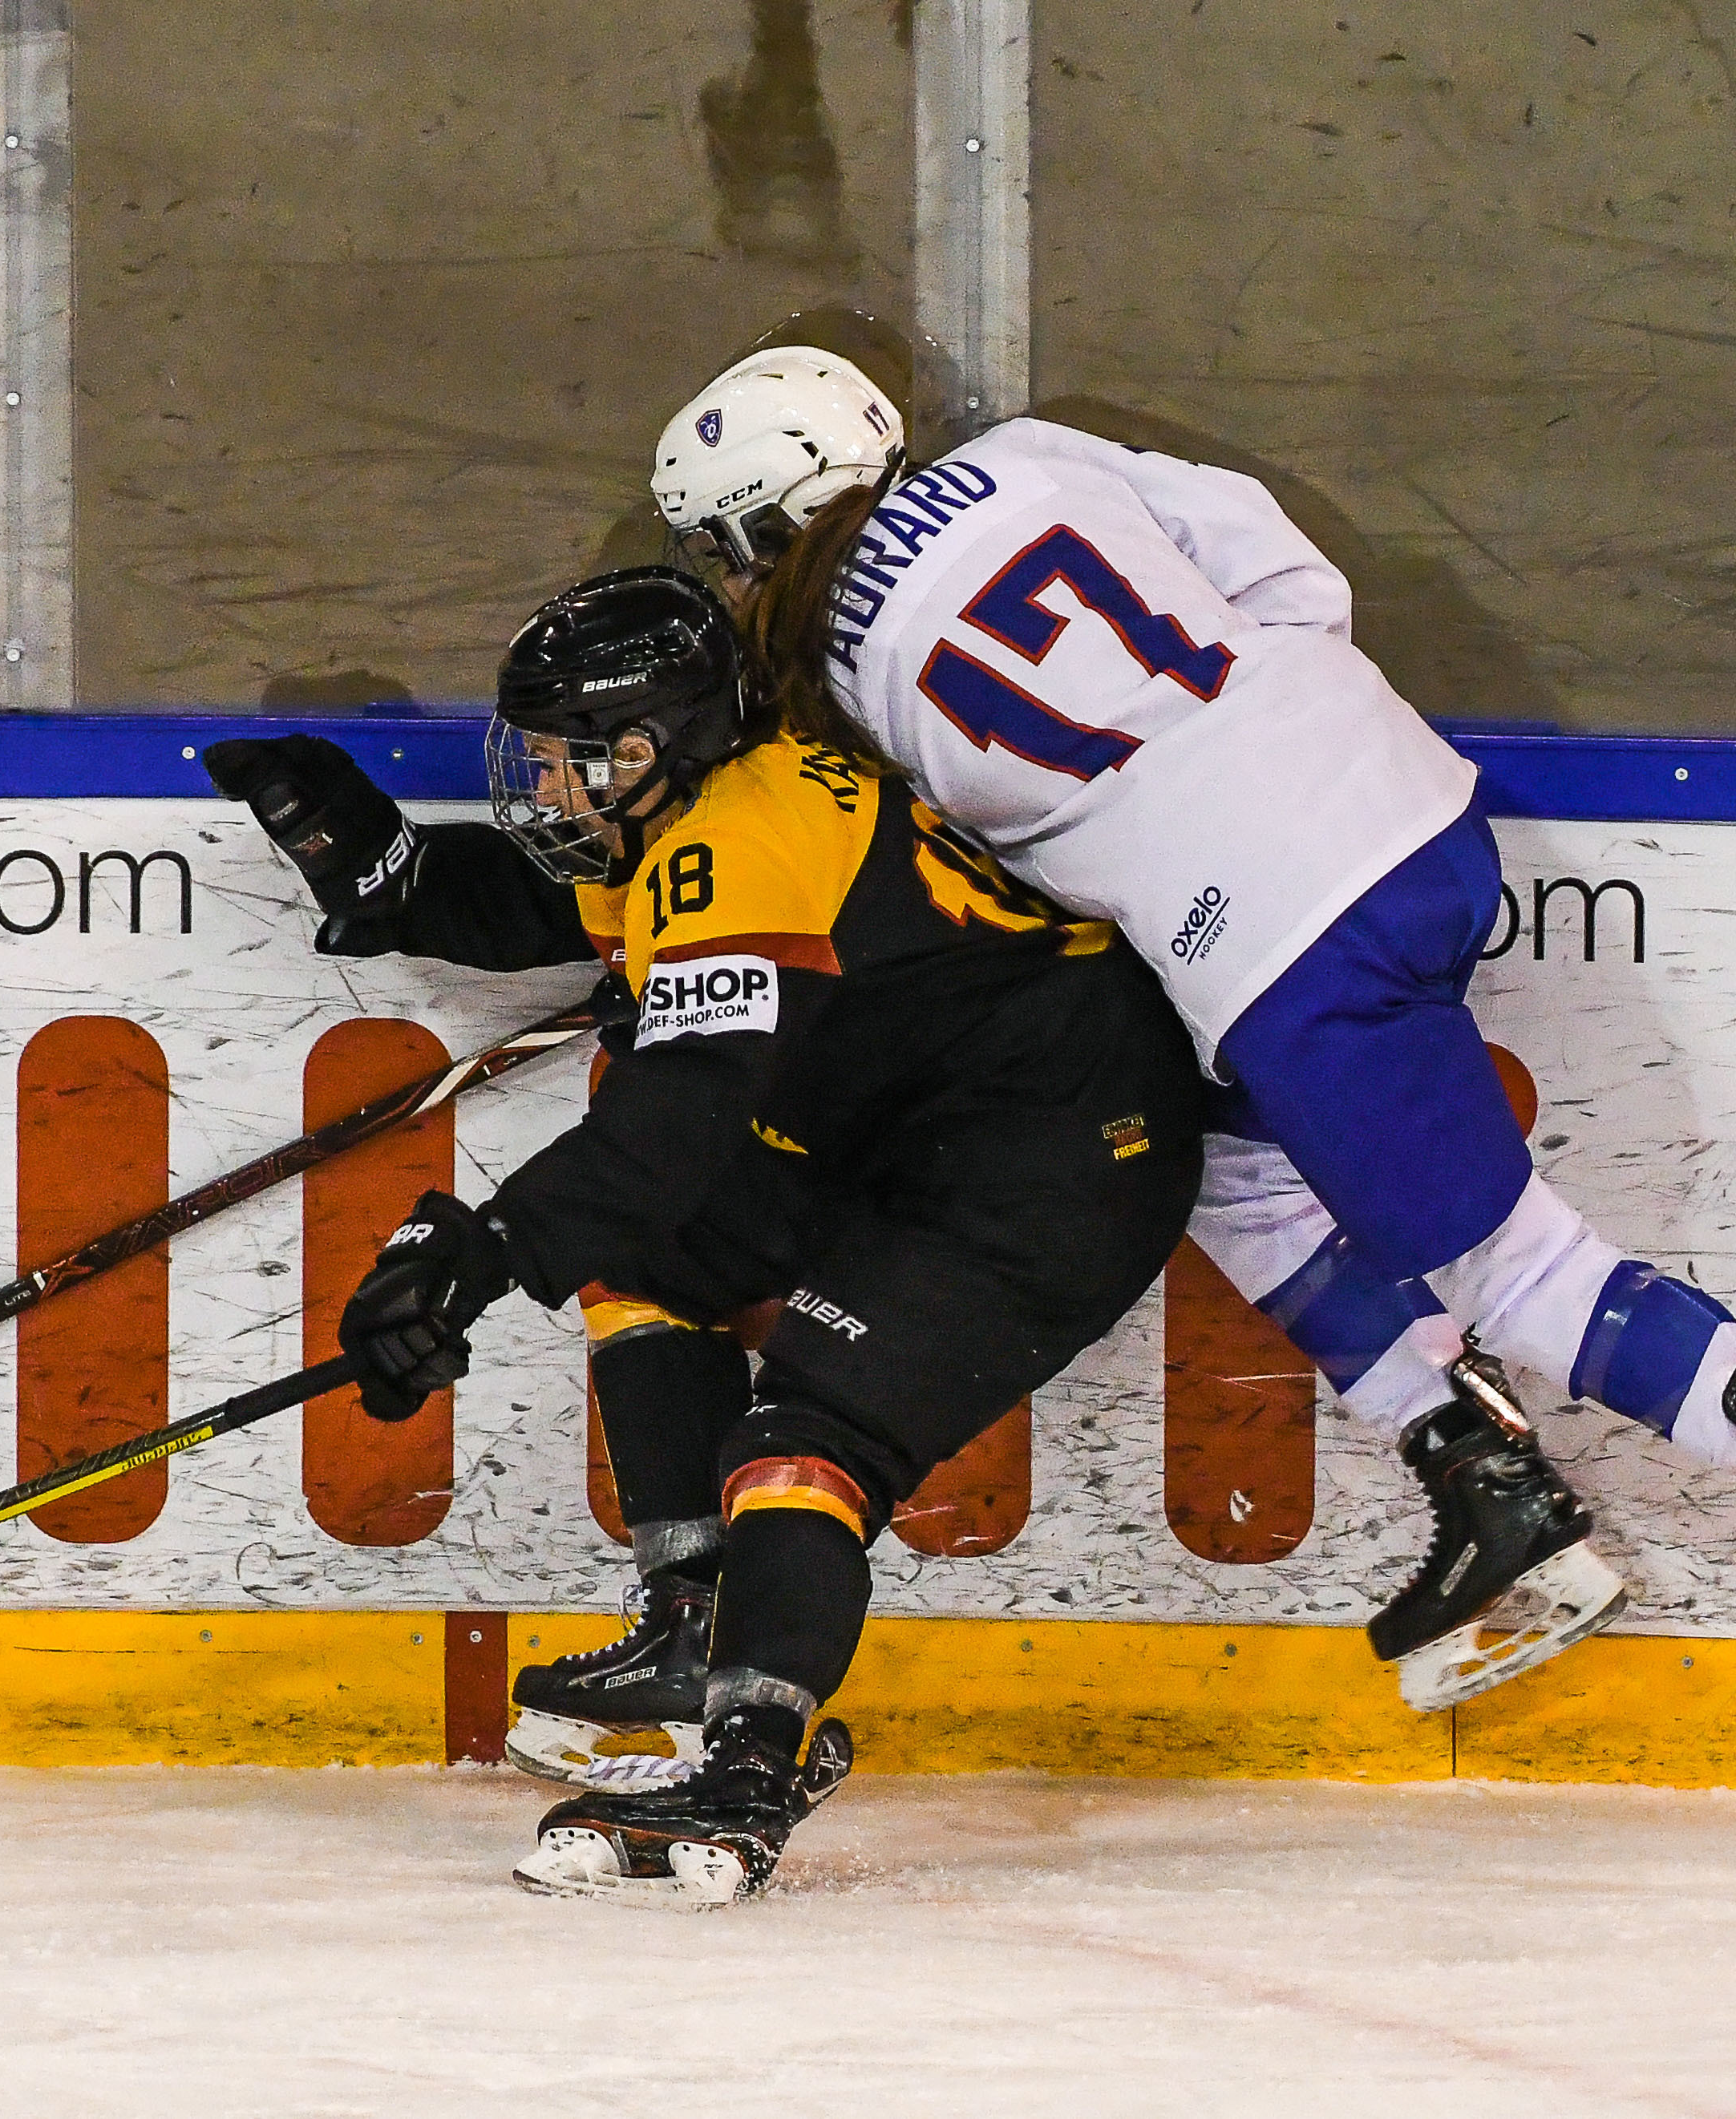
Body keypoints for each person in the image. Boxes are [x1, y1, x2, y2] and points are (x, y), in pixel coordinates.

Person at [645, 346, 1736, 1652]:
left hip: (1283, 943)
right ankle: (1489, 1487)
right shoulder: (1026, 454)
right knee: (1227, 1167)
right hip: (1407, 807)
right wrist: (1281, 732)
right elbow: (1276, 562)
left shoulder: (833, 686)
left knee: (1515, 1269)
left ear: (754, 537)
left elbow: (991, 885)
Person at [204, 564, 1206, 1903]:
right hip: (911, 1130)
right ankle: (692, 1616)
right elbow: (537, 906)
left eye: (562, 760)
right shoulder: (707, 808)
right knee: (651, 1258)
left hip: (1058, 1155)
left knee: (806, 1438)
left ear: (641, 748)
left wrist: (480, 1253)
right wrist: (376, 863)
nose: (541, 787)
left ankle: (748, 1764)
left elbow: (681, 1116)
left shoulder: (743, 839)